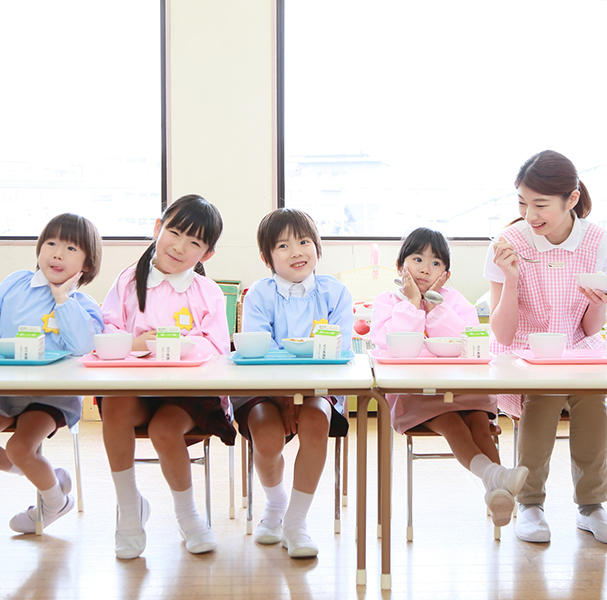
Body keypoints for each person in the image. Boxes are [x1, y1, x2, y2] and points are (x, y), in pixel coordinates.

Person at [485, 150, 607, 544]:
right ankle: (530, 504)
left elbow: (588, 327)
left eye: (540, 204)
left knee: (591, 396)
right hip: (522, 352)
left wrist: (600, 303)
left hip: (579, 351)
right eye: (522, 202)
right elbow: (501, 333)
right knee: (544, 393)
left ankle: (592, 507)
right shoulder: (508, 243)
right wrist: (511, 279)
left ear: (571, 199)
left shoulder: (598, 241)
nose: (529, 214)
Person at [99, 194, 234, 559]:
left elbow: (218, 347)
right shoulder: (129, 281)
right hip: (136, 388)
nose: (180, 246)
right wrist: (137, 342)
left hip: (188, 394)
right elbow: (106, 329)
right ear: (158, 229)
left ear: (206, 255)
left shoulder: (207, 292)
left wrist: (180, 344)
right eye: (175, 232)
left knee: (164, 429)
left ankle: (188, 516)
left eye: (195, 243)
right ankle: (130, 510)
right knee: (113, 405)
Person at [370, 227, 528, 527]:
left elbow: (465, 341)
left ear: (445, 272)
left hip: (462, 388)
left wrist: (434, 307)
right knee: (453, 423)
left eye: (435, 263)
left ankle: (498, 494)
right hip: (416, 393)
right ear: (400, 265)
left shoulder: (454, 301)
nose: (425, 269)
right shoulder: (387, 302)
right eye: (417, 259)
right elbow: (400, 346)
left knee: (480, 424)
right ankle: (496, 476)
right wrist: (411, 304)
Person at [232, 207, 352, 559]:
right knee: (267, 438)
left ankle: (296, 523)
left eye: (304, 241)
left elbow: (339, 346)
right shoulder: (259, 294)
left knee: (316, 421)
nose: (296, 251)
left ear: (317, 246)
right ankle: (276, 504)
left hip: (321, 385)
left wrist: (303, 388)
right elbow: (258, 346)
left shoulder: (335, 292)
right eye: (283, 246)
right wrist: (284, 392)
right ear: (266, 256)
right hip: (265, 385)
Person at [0, 213, 103, 533]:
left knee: (19, 447)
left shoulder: (83, 304)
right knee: (23, 455)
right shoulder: (15, 283)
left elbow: (84, 346)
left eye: (71, 249)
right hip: (6, 392)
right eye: (51, 243)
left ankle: (55, 502)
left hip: (51, 398)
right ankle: (48, 478)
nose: (58, 253)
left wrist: (62, 299)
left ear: (86, 264)